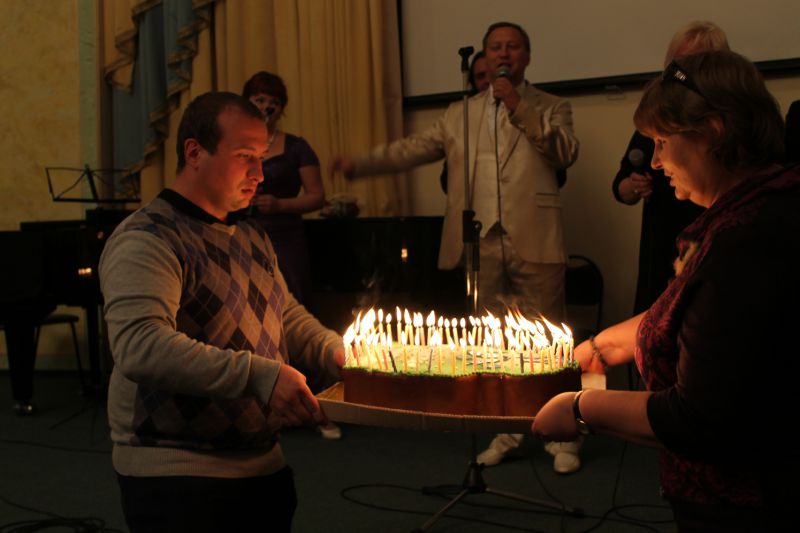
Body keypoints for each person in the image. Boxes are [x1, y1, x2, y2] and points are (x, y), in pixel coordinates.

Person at [533, 50, 799, 530]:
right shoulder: (758, 207)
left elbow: (697, 418)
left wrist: (579, 407)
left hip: (746, 507)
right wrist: (605, 344)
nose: (655, 162)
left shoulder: (745, 241)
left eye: (661, 142)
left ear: (712, 131)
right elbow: (700, 312)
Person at [330, 21, 580, 472]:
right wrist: (361, 164)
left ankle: (563, 435)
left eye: (513, 46)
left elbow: (564, 153)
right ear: (484, 55)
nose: (504, 53)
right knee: (492, 344)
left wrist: (517, 105)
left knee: (547, 343)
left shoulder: (552, 105)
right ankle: (506, 430)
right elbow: (414, 148)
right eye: (496, 46)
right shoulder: (459, 112)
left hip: (534, 235)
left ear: (526, 56)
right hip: (479, 243)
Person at [100, 91, 344, 533]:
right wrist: (262, 376)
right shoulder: (148, 238)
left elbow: (284, 313)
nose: (260, 174)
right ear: (195, 153)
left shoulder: (251, 235)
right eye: (246, 156)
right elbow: (140, 347)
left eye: (262, 158)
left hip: (262, 465)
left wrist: (334, 350)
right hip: (179, 477)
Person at [242, 71, 341, 440]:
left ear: (281, 108)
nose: (266, 107)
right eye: (258, 100)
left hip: (286, 238)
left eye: (273, 102)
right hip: (246, 235)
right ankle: (272, 403)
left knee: (295, 314)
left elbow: (317, 196)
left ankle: (319, 406)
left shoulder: (296, 146)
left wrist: (280, 204)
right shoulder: (238, 145)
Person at [613, 21, 728, 316]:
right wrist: (631, 186)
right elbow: (621, 184)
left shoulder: (735, 224)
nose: (655, 161)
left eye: (663, 142)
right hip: (662, 238)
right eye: (678, 64)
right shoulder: (656, 116)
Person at [440, 51, 491, 193]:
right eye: (480, 76)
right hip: (474, 199)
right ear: (473, 83)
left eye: (491, 74)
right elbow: (447, 182)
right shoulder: (463, 118)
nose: (487, 81)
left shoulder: (520, 111)